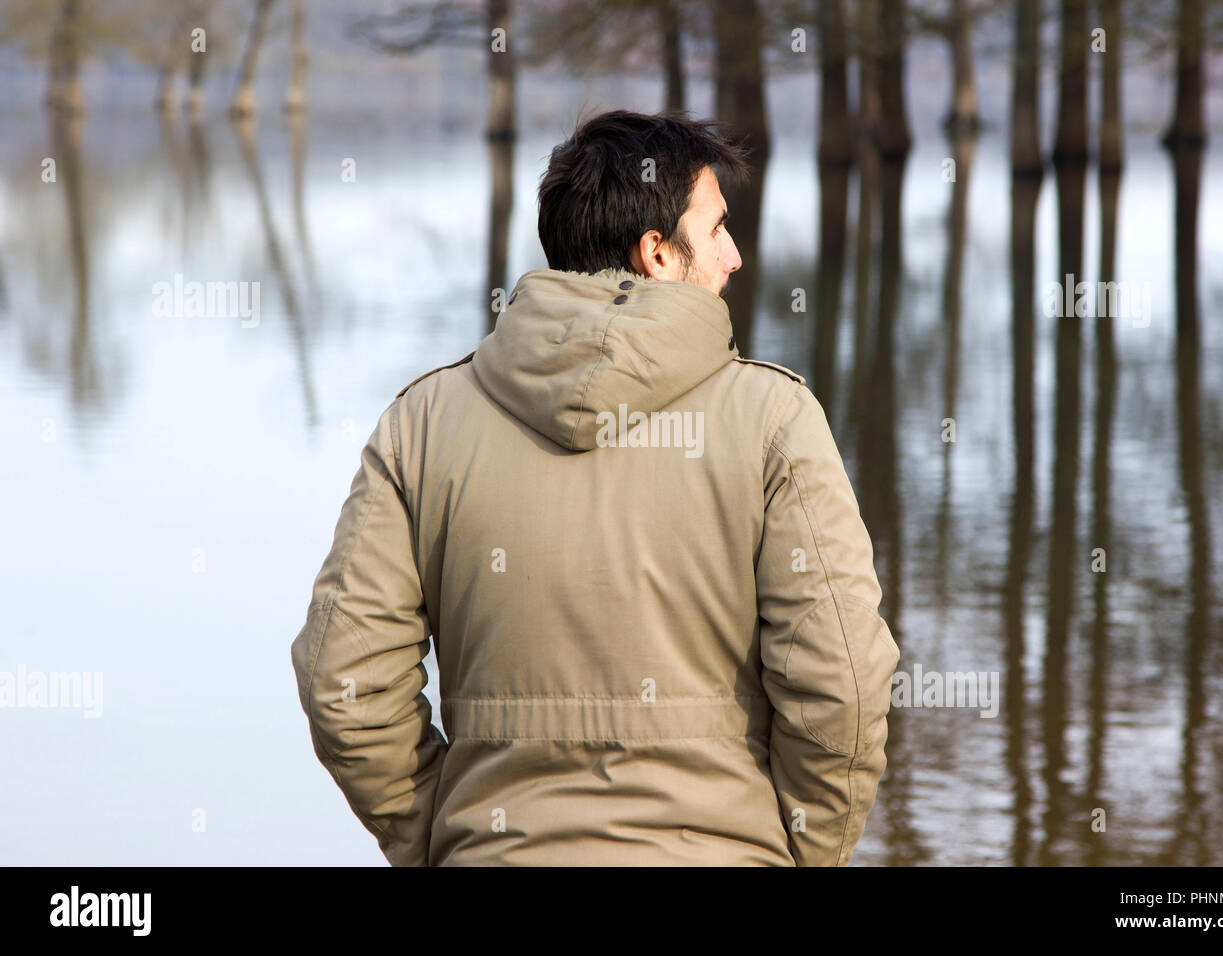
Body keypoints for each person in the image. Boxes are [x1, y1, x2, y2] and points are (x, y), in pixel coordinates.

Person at [290, 109, 899, 866]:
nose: (736, 257)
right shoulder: (775, 420)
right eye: (716, 231)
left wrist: (442, 837)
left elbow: (341, 682)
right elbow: (844, 682)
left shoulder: (420, 426)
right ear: (658, 254)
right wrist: (802, 852)